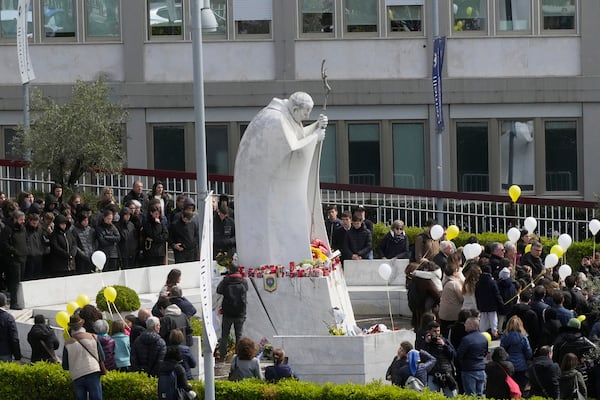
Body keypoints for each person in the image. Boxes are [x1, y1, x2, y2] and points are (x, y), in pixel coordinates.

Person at [234, 91, 328, 268]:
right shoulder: (275, 120)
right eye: (305, 113)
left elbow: (296, 137)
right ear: (294, 108)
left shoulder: (286, 115)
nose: (307, 117)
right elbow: (293, 149)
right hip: (262, 191)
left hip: (270, 186)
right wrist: (315, 137)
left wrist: (316, 126)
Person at [62, 315, 104, 400]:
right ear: (82, 325)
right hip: (92, 371)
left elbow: (65, 366)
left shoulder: (67, 343)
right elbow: (102, 356)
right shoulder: (93, 337)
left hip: (77, 375)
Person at [216, 264, 248, 362]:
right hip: (240, 312)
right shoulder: (243, 281)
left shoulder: (226, 280)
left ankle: (222, 357)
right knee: (239, 335)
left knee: (224, 335)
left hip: (227, 312)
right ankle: (239, 356)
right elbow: (246, 289)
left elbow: (218, 290)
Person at [0, 210, 27, 309]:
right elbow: (4, 244)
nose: (23, 222)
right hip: (13, 259)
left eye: (24, 220)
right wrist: (14, 251)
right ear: (15, 219)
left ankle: (20, 300)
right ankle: (14, 302)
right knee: (14, 281)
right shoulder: (7, 229)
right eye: (21, 220)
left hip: (23, 257)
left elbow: (25, 240)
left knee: (21, 280)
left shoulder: (23, 229)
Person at [422, 321, 457, 397]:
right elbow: (421, 355)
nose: (437, 333)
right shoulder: (425, 342)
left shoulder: (444, 341)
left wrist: (444, 345)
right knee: (432, 396)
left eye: (438, 331)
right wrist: (426, 343)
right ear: (429, 331)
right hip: (432, 373)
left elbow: (453, 354)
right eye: (434, 331)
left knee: (452, 396)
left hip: (446, 372)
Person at [456, 316, 488, 396]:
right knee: (480, 395)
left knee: (470, 395)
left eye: (466, 324)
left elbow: (459, 354)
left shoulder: (466, 339)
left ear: (471, 325)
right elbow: (485, 352)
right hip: (481, 369)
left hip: (469, 370)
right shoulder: (484, 338)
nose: (464, 325)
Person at [500, 315, 532, 392]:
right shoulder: (523, 337)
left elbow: (501, 351)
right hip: (521, 366)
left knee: (509, 389)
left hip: (508, 366)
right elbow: (528, 353)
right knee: (520, 389)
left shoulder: (505, 336)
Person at [475, 264, 503, 339]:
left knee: (483, 319)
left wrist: (478, 305)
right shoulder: (492, 282)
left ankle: (481, 333)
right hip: (492, 305)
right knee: (493, 318)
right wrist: (501, 303)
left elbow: (476, 295)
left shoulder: (478, 283)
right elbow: (497, 294)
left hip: (482, 304)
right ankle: (494, 333)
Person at [438, 264, 464, 337]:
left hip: (443, 312)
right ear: (454, 273)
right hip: (453, 313)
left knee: (443, 331)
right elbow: (461, 298)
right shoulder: (455, 284)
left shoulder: (444, 281)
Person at [0, 293, 21, 362]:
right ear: (5, 302)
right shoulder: (8, 317)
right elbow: (14, 338)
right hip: (5, 352)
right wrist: (17, 356)